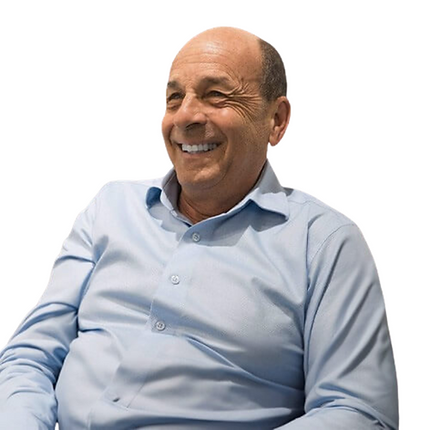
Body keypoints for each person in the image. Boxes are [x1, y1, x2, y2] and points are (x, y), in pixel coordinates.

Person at [0, 27, 398, 429]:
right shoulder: (111, 208)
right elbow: (30, 356)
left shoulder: (324, 244)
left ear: (276, 120)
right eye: (174, 98)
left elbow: (359, 412)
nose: (185, 116)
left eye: (216, 95)